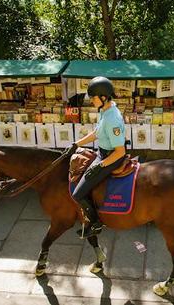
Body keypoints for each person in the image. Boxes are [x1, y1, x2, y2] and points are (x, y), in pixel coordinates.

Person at [65, 76, 126, 239]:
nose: (91, 100)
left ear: (103, 97)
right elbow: (97, 133)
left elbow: (120, 152)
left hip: (111, 157)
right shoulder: (106, 110)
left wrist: (100, 166)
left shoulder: (112, 119)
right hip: (102, 152)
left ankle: (96, 222)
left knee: (77, 194)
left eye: (93, 97)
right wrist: (77, 144)